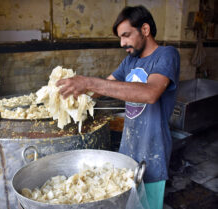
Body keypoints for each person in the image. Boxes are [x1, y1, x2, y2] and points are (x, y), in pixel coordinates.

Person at [56, 5, 180, 209]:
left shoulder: (167, 55)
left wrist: (88, 82)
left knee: (148, 205)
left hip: (153, 151)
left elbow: (151, 93)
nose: (122, 43)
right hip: (127, 150)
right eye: (120, 38)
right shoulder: (129, 61)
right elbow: (99, 90)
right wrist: (70, 91)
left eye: (126, 35)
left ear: (145, 30)